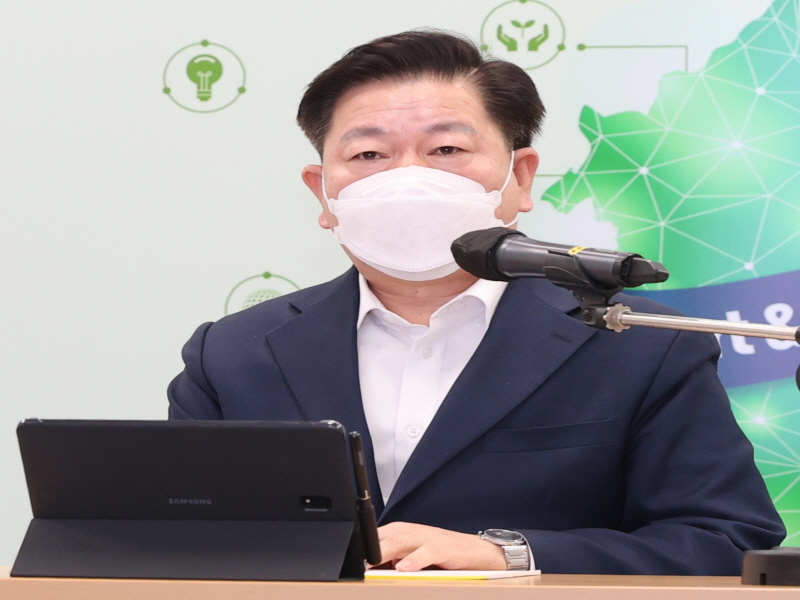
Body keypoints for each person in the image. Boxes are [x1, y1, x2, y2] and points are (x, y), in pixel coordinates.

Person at [168, 30, 785, 574]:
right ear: (322, 192)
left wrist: (510, 554)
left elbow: (723, 540)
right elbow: (177, 541)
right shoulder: (233, 354)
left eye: (446, 151)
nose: (407, 180)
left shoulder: (641, 342)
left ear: (521, 178)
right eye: (368, 155)